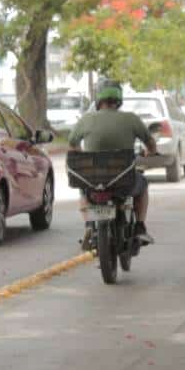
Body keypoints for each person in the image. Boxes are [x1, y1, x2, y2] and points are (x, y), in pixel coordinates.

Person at [69, 80, 157, 248]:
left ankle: (89, 225)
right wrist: (150, 151)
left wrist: (82, 154)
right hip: (124, 182)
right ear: (118, 99)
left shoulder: (86, 120)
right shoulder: (131, 119)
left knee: (83, 193)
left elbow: (72, 144)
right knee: (143, 186)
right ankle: (139, 226)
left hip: (92, 181)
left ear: (98, 99)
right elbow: (150, 143)